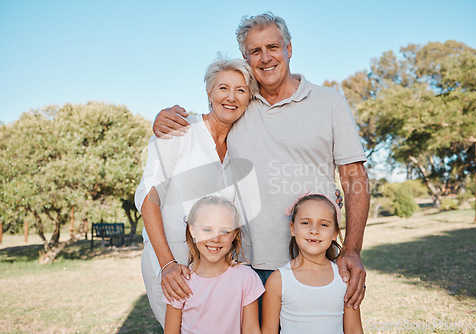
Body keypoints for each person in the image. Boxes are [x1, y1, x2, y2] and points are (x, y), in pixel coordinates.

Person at [152, 12, 370, 310]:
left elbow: (355, 178)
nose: (265, 57)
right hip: (246, 266)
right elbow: (204, 129)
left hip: (316, 260)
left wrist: (353, 249)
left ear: (289, 49)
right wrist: (165, 120)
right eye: (255, 51)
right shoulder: (239, 105)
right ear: (246, 57)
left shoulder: (330, 102)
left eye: (273, 47)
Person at [135, 56, 259, 328]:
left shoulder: (240, 144)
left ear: (249, 98)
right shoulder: (179, 130)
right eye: (223, 88)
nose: (231, 97)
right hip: (172, 263)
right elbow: (148, 197)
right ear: (209, 93)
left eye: (241, 90)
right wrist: (167, 264)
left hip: (217, 268)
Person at [261, 194, 363, 334]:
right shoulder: (278, 280)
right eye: (305, 223)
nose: (314, 230)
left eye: (323, 224)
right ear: (292, 228)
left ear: (334, 233)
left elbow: (354, 330)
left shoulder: (344, 278)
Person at [164, 196, 264, 334]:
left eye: (224, 231)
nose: (215, 238)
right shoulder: (180, 281)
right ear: (192, 231)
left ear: (234, 234)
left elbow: (251, 330)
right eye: (207, 230)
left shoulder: (246, 278)